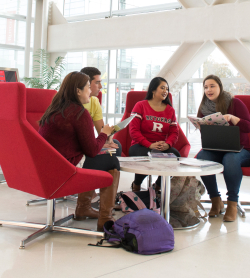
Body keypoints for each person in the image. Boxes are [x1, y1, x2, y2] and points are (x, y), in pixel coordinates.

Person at [38, 71, 119, 231]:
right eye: (88, 87)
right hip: (65, 171)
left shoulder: (54, 109)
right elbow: (91, 150)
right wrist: (105, 133)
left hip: (46, 168)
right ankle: (105, 218)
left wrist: (102, 142)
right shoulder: (79, 113)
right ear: (78, 91)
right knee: (112, 161)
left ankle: (84, 208)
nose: (91, 91)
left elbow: (73, 143)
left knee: (109, 153)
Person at [196, 74, 250, 222]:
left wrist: (234, 119)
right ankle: (215, 200)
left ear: (220, 87)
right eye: (206, 87)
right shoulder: (204, 107)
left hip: (239, 150)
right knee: (202, 157)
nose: (209, 89)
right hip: (216, 149)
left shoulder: (235, 103)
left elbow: (248, 127)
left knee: (230, 159)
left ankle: (232, 204)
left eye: (212, 86)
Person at [129, 77, 180, 192]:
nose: (165, 91)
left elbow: (174, 132)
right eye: (162, 88)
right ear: (153, 90)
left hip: (161, 146)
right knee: (147, 156)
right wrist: (149, 145)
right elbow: (133, 131)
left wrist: (168, 144)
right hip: (140, 145)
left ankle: (157, 186)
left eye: (167, 89)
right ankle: (137, 184)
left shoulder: (170, 110)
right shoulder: (140, 105)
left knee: (175, 156)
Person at [80, 67, 122, 157]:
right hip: (79, 147)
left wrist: (107, 138)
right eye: (97, 82)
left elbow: (101, 131)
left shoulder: (94, 101)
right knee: (111, 156)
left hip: (88, 144)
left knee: (116, 145)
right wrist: (100, 143)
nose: (101, 86)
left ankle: (112, 170)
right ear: (86, 83)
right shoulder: (72, 106)